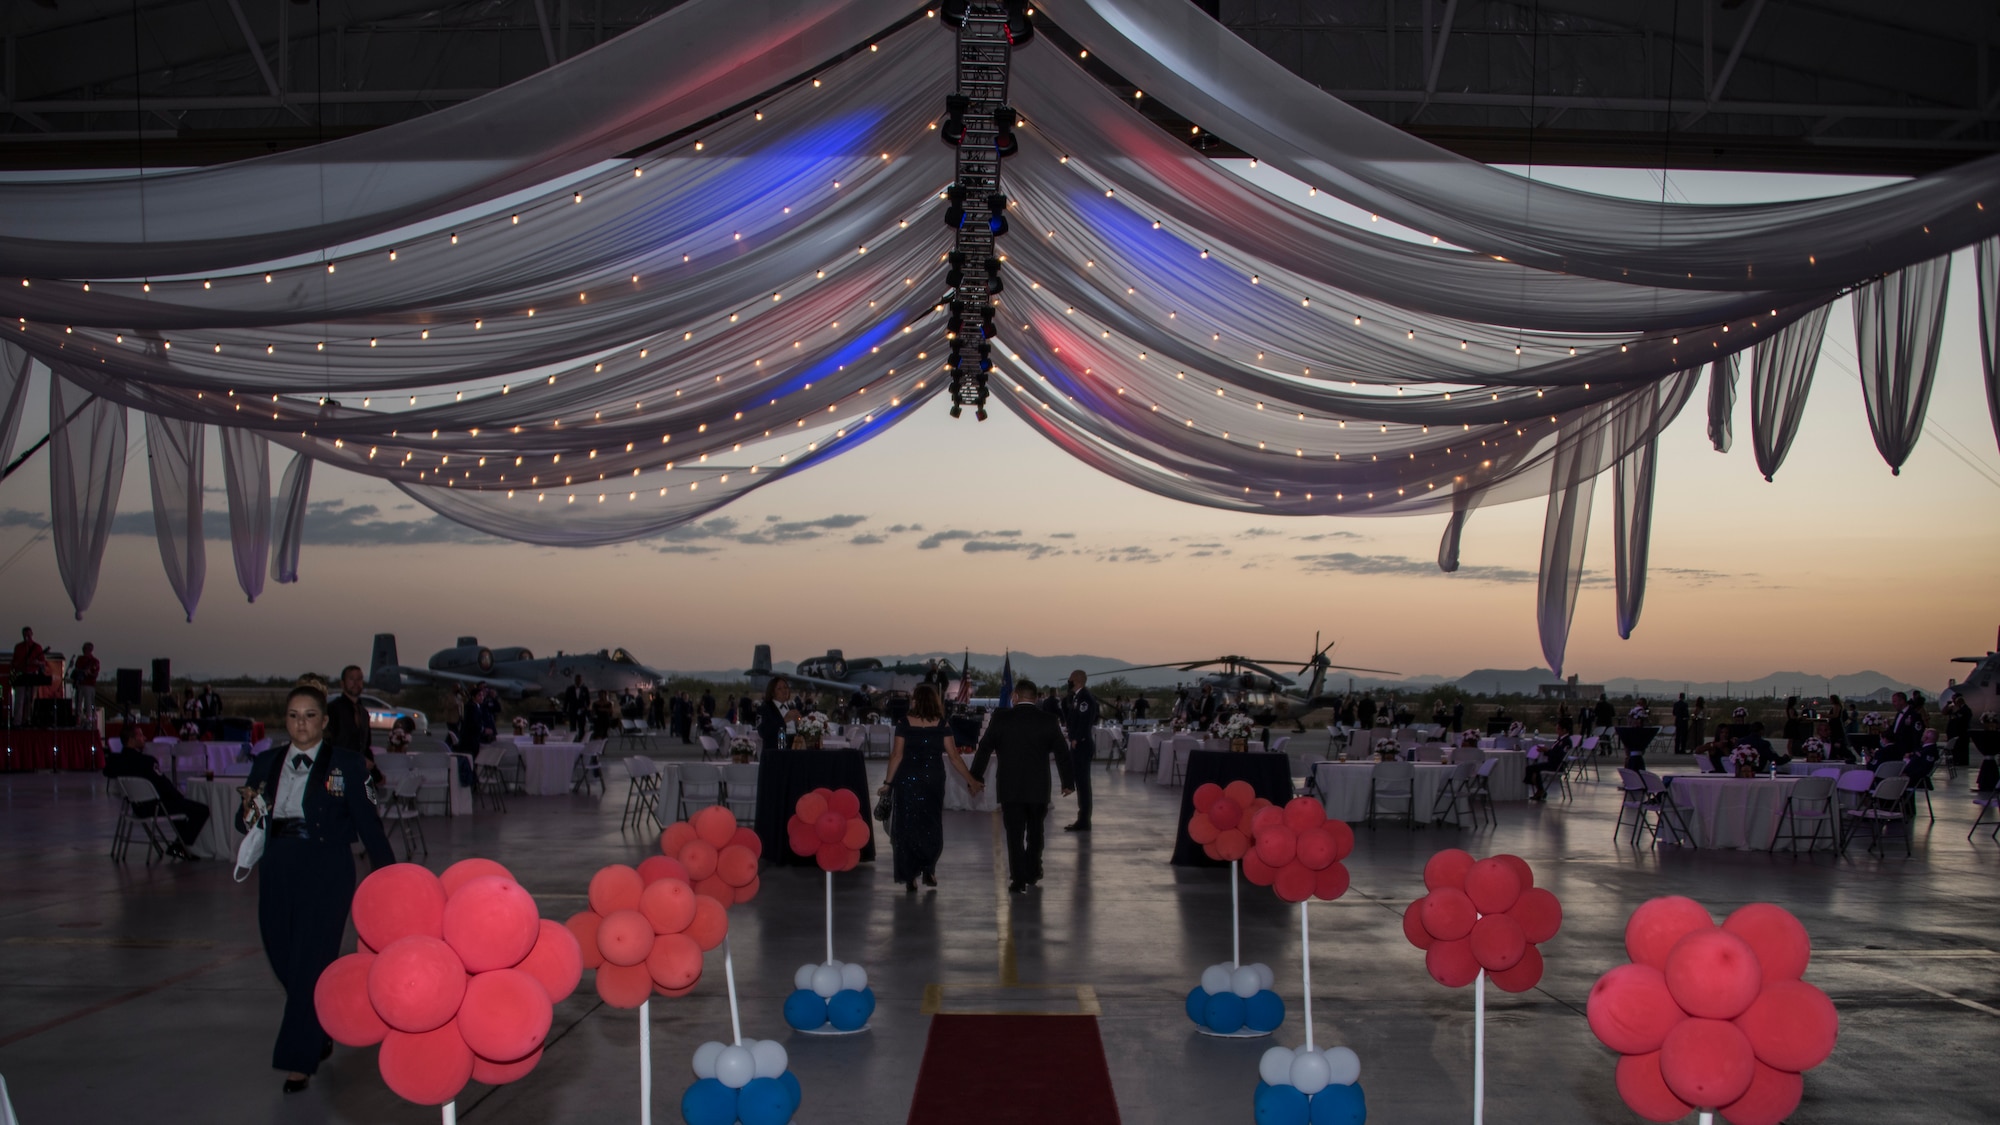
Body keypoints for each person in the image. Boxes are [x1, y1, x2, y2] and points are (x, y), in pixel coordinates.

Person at [235, 682, 393, 1092]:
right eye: (293, 715)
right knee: (284, 957)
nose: (300, 723)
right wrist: (249, 809)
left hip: (326, 868)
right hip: (278, 865)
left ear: (324, 721)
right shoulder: (265, 763)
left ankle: (297, 1062)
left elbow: (369, 827)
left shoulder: (350, 764)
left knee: (308, 962)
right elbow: (244, 822)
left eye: (309, 716)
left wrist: (390, 877)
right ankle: (319, 1023)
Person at [970, 680, 1075, 894]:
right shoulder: (1049, 720)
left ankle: (1018, 879)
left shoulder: (1001, 718)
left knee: (1014, 835)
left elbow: (984, 749)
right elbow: (1062, 753)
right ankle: (1033, 871)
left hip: (1010, 787)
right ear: (1036, 698)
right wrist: (1068, 782)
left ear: (1014, 697)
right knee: (1036, 832)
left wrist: (976, 777)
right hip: (1038, 788)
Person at [878, 683, 982, 892]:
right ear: (935, 701)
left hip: (908, 779)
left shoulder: (904, 723)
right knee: (931, 824)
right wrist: (971, 779)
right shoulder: (942, 724)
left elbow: (897, 755)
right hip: (933, 780)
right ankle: (929, 869)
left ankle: (910, 876)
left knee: (906, 827)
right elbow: (954, 757)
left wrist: (887, 784)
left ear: (916, 700)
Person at [102, 741, 209, 855]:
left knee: (180, 808)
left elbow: (107, 772)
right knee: (201, 810)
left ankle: (179, 845)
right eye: (140, 736)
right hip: (154, 807)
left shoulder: (115, 761)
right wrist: (179, 797)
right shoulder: (147, 761)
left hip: (135, 806)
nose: (144, 739)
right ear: (131, 739)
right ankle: (180, 846)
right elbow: (163, 784)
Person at [1059, 670, 1101, 832]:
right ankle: (1082, 818)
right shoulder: (1077, 698)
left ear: (1077, 681)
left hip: (1082, 745)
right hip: (1078, 744)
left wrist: (1077, 738)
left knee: (1083, 785)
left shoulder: (1085, 698)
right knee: (1080, 783)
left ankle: (1084, 820)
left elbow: (1085, 721)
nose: (1068, 682)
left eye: (1070, 679)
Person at [325, 666, 372, 760]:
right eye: (351, 679)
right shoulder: (332, 709)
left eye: (359, 679)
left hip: (358, 769)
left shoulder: (364, 713)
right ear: (342, 683)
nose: (356, 683)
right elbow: (327, 743)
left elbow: (366, 747)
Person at [1525, 721, 1573, 801]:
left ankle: (1540, 790)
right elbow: (1554, 752)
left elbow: (1560, 756)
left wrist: (1547, 751)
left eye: (1558, 729)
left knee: (1532, 769)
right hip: (1552, 762)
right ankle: (1540, 789)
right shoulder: (1560, 739)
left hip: (1557, 765)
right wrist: (1545, 751)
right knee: (1532, 768)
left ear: (1564, 730)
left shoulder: (1566, 741)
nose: (1557, 731)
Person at [10, 626, 47, 726]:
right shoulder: (18, 647)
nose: (27, 637)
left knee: (31, 699)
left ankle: (28, 720)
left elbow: (43, 663)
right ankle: (17, 721)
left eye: (29, 634)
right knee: (19, 699)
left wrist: (37, 662)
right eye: (25, 635)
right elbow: (14, 662)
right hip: (21, 675)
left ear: (32, 634)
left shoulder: (37, 647)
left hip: (32, 675)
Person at [757, 676, 798, 752]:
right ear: (772, 692)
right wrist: (784, 720)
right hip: (774, 754)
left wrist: (800, 721)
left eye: (785, 687)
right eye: (779, 689)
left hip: (793, 753)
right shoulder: (764, 708)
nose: (784, 691)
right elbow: (763, 732)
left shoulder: (792, 706)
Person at [69, 641, 101, 723]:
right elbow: (76, 670)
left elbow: (95, 673)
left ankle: (89, 719)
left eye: (85, 649)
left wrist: (89, 673)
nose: (84, 650)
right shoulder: (80, 659)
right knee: (78, 703)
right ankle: (78, 719)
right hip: (80, 684)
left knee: (88, 703)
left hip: (88, 685)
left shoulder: (94, 661)